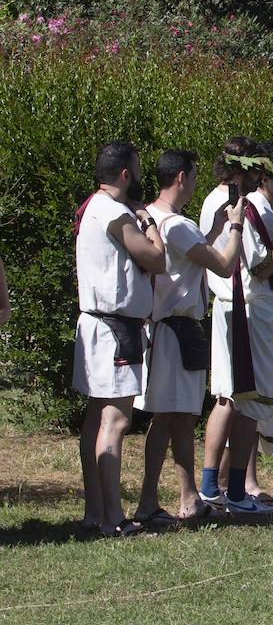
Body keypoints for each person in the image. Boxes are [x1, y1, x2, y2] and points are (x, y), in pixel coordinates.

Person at [133, 150, 246, 527]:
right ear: (182, 177)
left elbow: (191, 258)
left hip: (170, 330)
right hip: (174, 331)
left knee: (179, 419)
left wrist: (213, 228)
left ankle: (188, 498)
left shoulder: (157, 218)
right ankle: (149, 502)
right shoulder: (176, 225)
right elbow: (224, 264)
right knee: (166, 418)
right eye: (194, 175)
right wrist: (235, 227)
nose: (198, 181)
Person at [197, 139, 273, 515]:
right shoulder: (233, 204)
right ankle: (227, 491)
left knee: (236, 397)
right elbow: (259, 266)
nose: (260, 177)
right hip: (245, 306)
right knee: (243, 399)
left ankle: (221, 486)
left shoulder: (227, 200)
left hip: (242, 306)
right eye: (256, 170)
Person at [74, 141, 164, 536]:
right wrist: (149, 223)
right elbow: (155, 258)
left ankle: (96, 512)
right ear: (126, 175)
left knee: (96, 419)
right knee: (115, 419)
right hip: (114, 329)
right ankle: (112, 518)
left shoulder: (93, 206)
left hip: (98, 324)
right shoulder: (114, 212)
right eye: (139, 171)